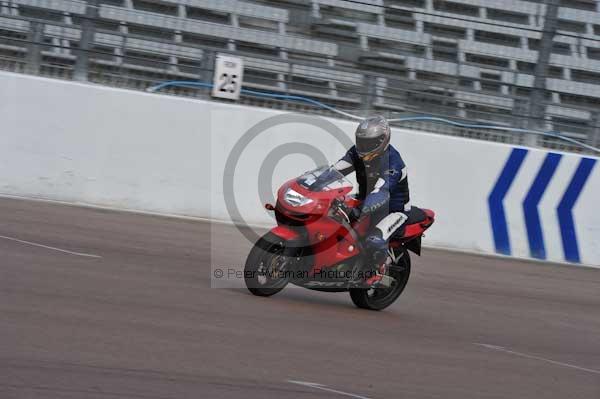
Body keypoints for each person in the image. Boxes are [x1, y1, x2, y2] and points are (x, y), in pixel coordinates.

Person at [333, 115, 410, 287]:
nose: (363, 146)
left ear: (383, 140)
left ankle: (377, 270)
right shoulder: (356, 152)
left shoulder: (392, 162)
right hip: (365, 199)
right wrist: (313, 183)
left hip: (393, 210)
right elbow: (335, 171)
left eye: (369, 143)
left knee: (374, 240)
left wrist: (361, 210)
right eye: (361, 141)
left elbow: (381, 192)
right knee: (332, 213)